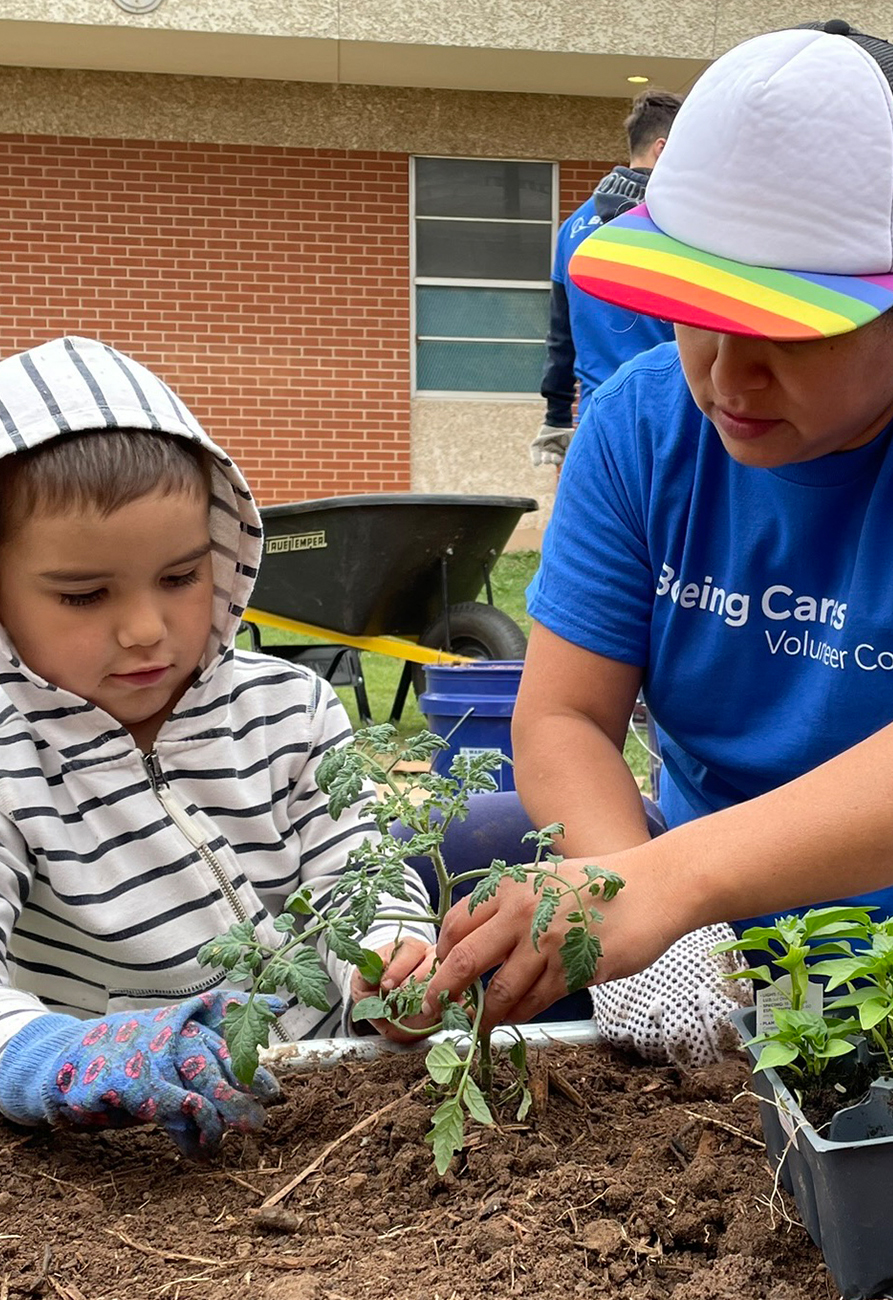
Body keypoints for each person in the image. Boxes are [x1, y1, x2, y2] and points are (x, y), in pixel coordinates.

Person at [425, 19, 893, 1059]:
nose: (727, 376)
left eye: (789, 327)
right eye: (694, 312)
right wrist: (635, 895)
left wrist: (668, 882)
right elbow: (560, 717)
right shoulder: (641, 427)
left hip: (866, 961)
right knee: (475, 843)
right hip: (707, 918)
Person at [0, 336, 435, 1158]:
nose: (144, 630)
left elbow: (359, 870)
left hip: (328, 1085)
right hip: (135, 1129)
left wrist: (386, 963)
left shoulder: (288, 708)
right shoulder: (11, 760)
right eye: (84, 594)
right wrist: (48, 1060)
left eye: (180, 578)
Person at [529, 89, 683, 470]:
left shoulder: (571, 229)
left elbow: (560, 337)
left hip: (597, 420)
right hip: (671, 418)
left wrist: (557, 417)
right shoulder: (678, 221)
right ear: (663, 149)